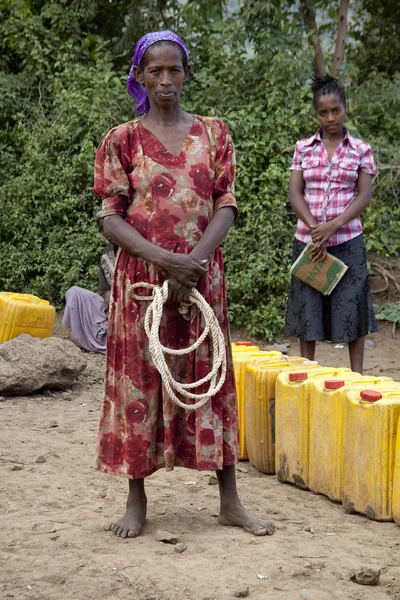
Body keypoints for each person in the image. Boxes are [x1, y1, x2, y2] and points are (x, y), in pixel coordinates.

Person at [93, 30, 275, 538]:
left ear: (187, 74)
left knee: (211, 380)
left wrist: (191, 262)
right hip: (142, 283)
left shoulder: (215, 133)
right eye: (156, 71)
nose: (166, 80)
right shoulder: (121, 140)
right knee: (139, 384)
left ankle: (230, 500)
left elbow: (226, 204)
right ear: (140, 77)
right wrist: (165, 262)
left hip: (200, 279)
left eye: (175, 70)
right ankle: (135, 500)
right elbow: (110, 218)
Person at [285, 75, 377, 373]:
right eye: (323, 112)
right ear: (316, 114)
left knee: (352, 305)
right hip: (309, 241)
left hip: (348, 240)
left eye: (335, 110)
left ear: (345, 107)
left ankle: (357, 375)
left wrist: (332, 226)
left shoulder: (360, 149)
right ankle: (307, 372)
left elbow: (363, 196)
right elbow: (294, 193)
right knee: (308, 307)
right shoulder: (304, 148)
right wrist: (315, 229)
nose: (330, 118)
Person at [62, 211, 117, 354]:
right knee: (74, 293)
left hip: (134, 304)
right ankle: (83, 337)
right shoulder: (106, 254)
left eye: (107, 226)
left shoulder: (136, 247)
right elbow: (103, 290)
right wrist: (107, 295)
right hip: (111, 307)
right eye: (101, 229)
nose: (105, 232)